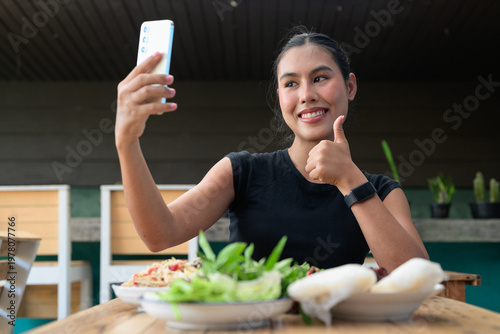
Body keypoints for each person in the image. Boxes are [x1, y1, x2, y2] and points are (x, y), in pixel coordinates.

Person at [115, 28, 429, 272]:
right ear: (280, 96)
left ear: (350, 86)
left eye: (320, 78)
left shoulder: (381, 191)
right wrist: (126, 143)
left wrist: (350, 180)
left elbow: (419, 276)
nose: (306, 94)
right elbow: (159, 234)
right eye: (291, 83)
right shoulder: (242, 172)